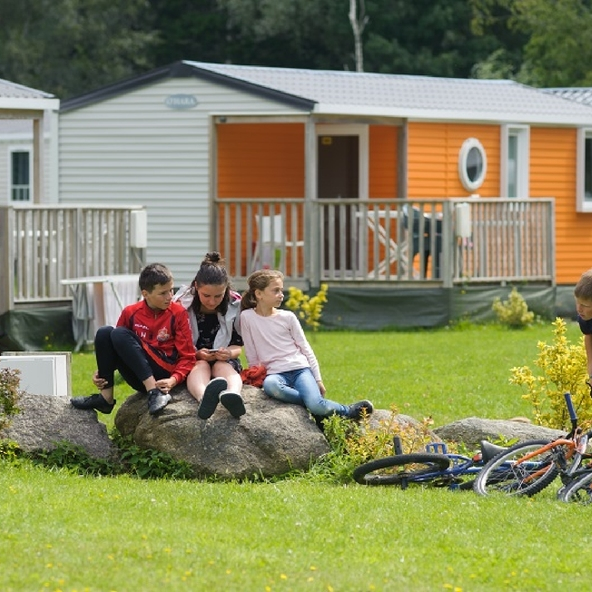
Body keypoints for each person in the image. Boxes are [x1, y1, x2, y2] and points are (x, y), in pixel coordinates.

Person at [239, 269, 373, 421]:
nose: (281, 294)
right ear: (259, 294)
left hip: (300, 370)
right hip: (275, 374)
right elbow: (251, 353)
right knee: (271, 386)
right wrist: (256, 378)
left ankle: (347, 411)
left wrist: (318, 379)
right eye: (276, 291)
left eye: (281, 290)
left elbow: (306, 349)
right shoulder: (247, 317)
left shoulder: (288, 317)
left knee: (315, 404)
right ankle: (318, 406)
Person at [71, 263, 196, 415]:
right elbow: (118, 349)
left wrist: (173, 380)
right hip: (138, 377)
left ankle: (155, 392)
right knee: (105, 332)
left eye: (171, 290)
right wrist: (103, 371)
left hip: (164, 374)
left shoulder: (178, 312)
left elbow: (188, 357)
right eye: (163, 293)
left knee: (119, 333)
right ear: (145, 293)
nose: (170, 296)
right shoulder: (130, 312)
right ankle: (106, 398)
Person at [173, 252, 245, 419]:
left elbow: (237, 346)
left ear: (226, 289)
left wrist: (228, 353)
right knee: (200, 366)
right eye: (206, 296)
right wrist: (196, 353)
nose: (212, 302)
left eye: (218, 296)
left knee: (223, 366)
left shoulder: (234, 305)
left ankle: (234, 395)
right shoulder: (181, 304)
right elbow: (174, 342)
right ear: (196, 286)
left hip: (223, 359)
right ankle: (204, 398)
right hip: (192, 357)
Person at [575, 268, 592, 383]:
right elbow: (589, 335)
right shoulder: (585, 319)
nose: (579, 309)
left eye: (585, 305)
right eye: (577, 302)